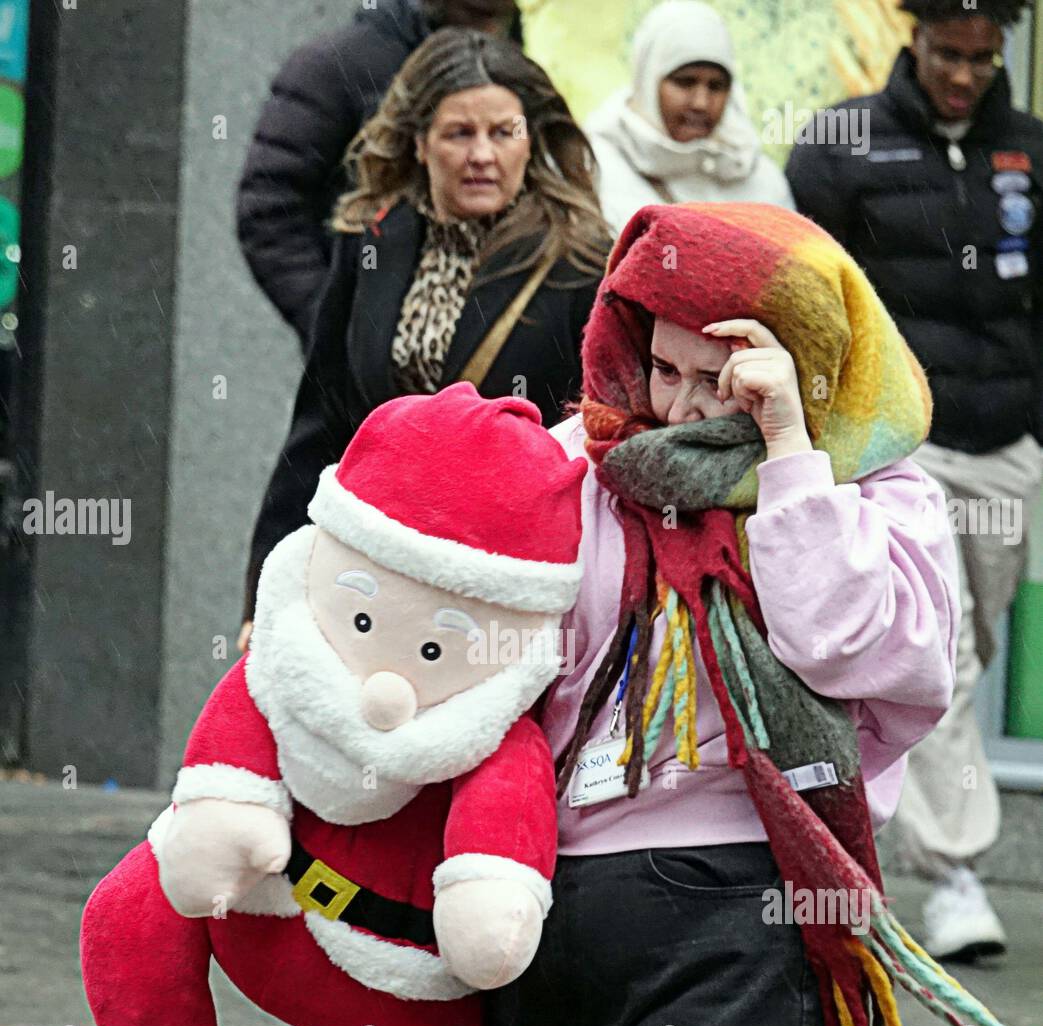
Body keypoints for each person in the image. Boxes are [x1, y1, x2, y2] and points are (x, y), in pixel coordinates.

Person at [458, 202, 1015, 1026]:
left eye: (727, 376)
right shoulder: (579, 463)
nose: (682, 406)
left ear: (804, 366)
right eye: (664, 368)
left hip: (738, 925)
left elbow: (863, 650)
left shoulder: (872, 488)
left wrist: (789, 457)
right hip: (542, 921)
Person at [786, 0, 1043, 964]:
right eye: (950, 54)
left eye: (984, 58)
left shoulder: (1030, 151)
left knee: (967, 634)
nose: (966, 74)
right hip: (901, 445)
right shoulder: (838, 147)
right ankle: (958, 873)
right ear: (916, 42)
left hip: (1007, 445)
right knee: (943, 649)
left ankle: (878, 813)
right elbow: (810, 298)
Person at [240, 26, 611, 636]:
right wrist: (264, 594)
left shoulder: (579, 265)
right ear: (418, 144)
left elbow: (596, 442)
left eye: (503, 133)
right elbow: (320, 426)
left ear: (531, 141)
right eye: (459, 134)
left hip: (506, 579)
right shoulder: (373, 246)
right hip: (375, 564)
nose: (482, 155)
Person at [236, 0, 521, 348]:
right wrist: (342, 333)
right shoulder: (339, 65)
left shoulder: (530, 62)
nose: (481, 154)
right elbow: (270, 211)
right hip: (381, 366)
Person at [584, 0, 793, 235]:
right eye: (685, 82)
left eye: (716, 86)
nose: (701, 103)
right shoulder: (593, 168)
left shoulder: (754, 172)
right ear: (649, 80)